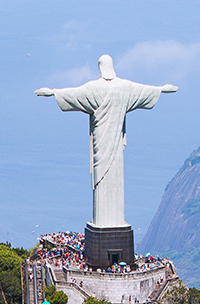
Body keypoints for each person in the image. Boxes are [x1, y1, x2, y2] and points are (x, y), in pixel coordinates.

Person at [35, 55, 178, 226]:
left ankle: (105, 221)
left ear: (101, 67)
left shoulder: (94, 88)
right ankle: (111, 220)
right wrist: (161, 89)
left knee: (103, 178)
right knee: (112, 178)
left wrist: (53, 92)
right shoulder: (124, 87)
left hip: (101, 144)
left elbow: (74, 94)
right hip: (115, 144)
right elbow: (144, 91)